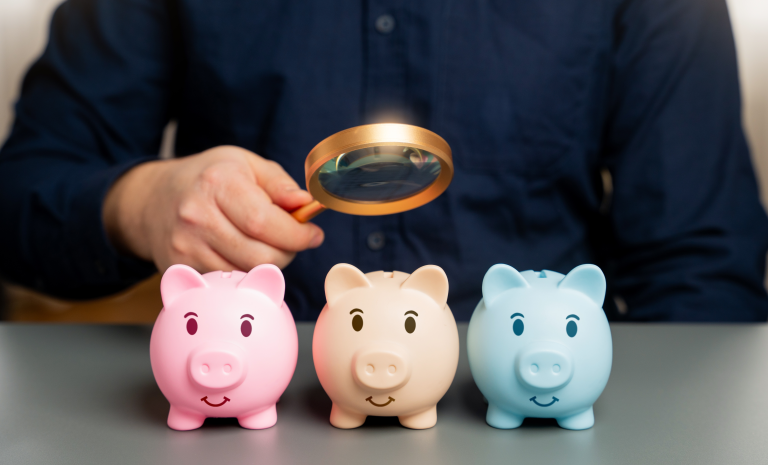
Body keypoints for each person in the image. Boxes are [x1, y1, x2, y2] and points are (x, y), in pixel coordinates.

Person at [0, 0, 766, 321]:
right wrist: (140, 203)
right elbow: (22, 193)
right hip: (247, 400)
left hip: (536, 403)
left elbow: (702, 269)